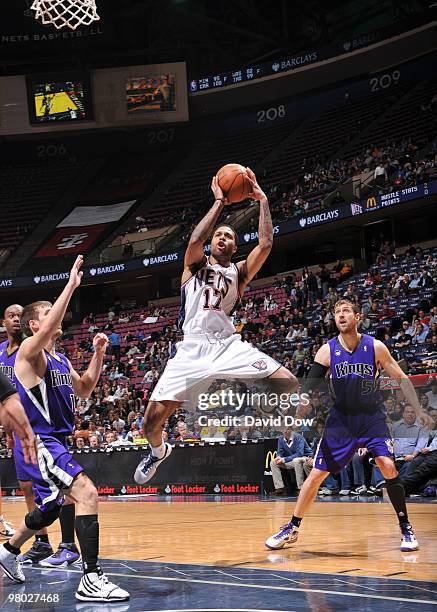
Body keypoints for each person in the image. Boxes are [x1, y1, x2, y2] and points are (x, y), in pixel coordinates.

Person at [134, 169, 298, 485]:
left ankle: (265, 414)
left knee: (289, 383)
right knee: (149, 425)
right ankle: (158, 453)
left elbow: (265, 245)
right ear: (212, 243)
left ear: (235, 247)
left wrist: (263, 200)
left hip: (225, 343)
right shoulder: (194, 266)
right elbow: (196, 238)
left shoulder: (239, 273)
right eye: (220, 234)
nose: (223, 238)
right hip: (192, 347)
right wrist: (219, 202)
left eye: (230, 236)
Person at [0, 257, 129, 603]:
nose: (56, 316)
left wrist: (98, 354)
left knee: (56, 505)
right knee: (87, 494)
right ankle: (91, 578)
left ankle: (9, 551)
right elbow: (43, 332)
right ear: (33, 325)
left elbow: (85, 388)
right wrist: (71, 284)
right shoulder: (29, 352)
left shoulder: (61, 360)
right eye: (48, 311)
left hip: (57, 440)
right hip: (42, 442)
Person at [266, 299, 431, 553]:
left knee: (387, 465)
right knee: (316, 475)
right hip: (341, 420)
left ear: (358, 317)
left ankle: (405, 526)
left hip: (371, 418)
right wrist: (299, 412)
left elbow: (401, 378)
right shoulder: (326, 351)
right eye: (336, 312)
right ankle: (292, 526)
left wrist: (418, 410)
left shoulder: (375, 347)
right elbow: (309, 389)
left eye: (345, 311)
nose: (340, 316)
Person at [269, 427, 312, 495]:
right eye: (284, 429)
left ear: (291, 430)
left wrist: (284, 459)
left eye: (288, 429)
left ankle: (301, 488)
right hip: (291, 459)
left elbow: (299, 453)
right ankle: (280, 488)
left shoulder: (299, 437)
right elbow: (280, 451)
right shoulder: (281, 439)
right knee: (273, 462)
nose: (285, 431)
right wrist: (278, 457)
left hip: (305, 457)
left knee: (296, 460)